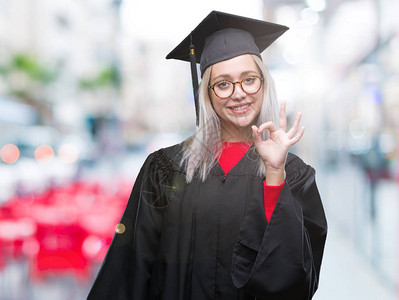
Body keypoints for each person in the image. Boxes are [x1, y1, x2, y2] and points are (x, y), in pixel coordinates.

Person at [87, 10, 327, 300]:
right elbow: (130, 268)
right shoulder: (165, 169)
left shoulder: (295, 174)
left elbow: (297, 282)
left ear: (264, 84)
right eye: (223, 84)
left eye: (249, 79)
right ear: (207, 93)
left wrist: (275, 174)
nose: (238, 93)